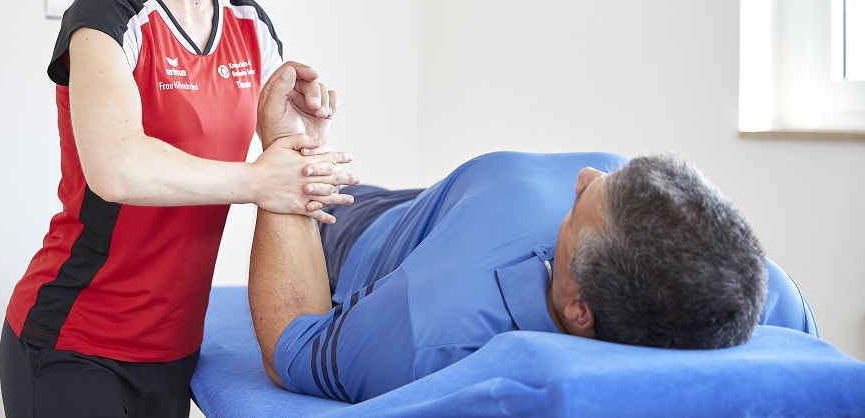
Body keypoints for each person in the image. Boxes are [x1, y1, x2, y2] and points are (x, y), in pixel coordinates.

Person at [0, 0, 358, 418]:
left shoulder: (252, 26)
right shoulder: (106, 15)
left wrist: (299, 137)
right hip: (76, 344)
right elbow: (117, 167)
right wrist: (257, 179)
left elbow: (280, 174)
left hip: (175, 354)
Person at [248, 150, 818, 403]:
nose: (587, 174)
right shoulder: (769, 292)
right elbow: (288, 351)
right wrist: (292, 162)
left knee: (342, 206)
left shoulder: (441, 324)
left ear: (580, 312)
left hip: (406, 234)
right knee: (332, 199)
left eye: (583, 206)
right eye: (611, 178)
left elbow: (290, 346)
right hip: (407, 217)